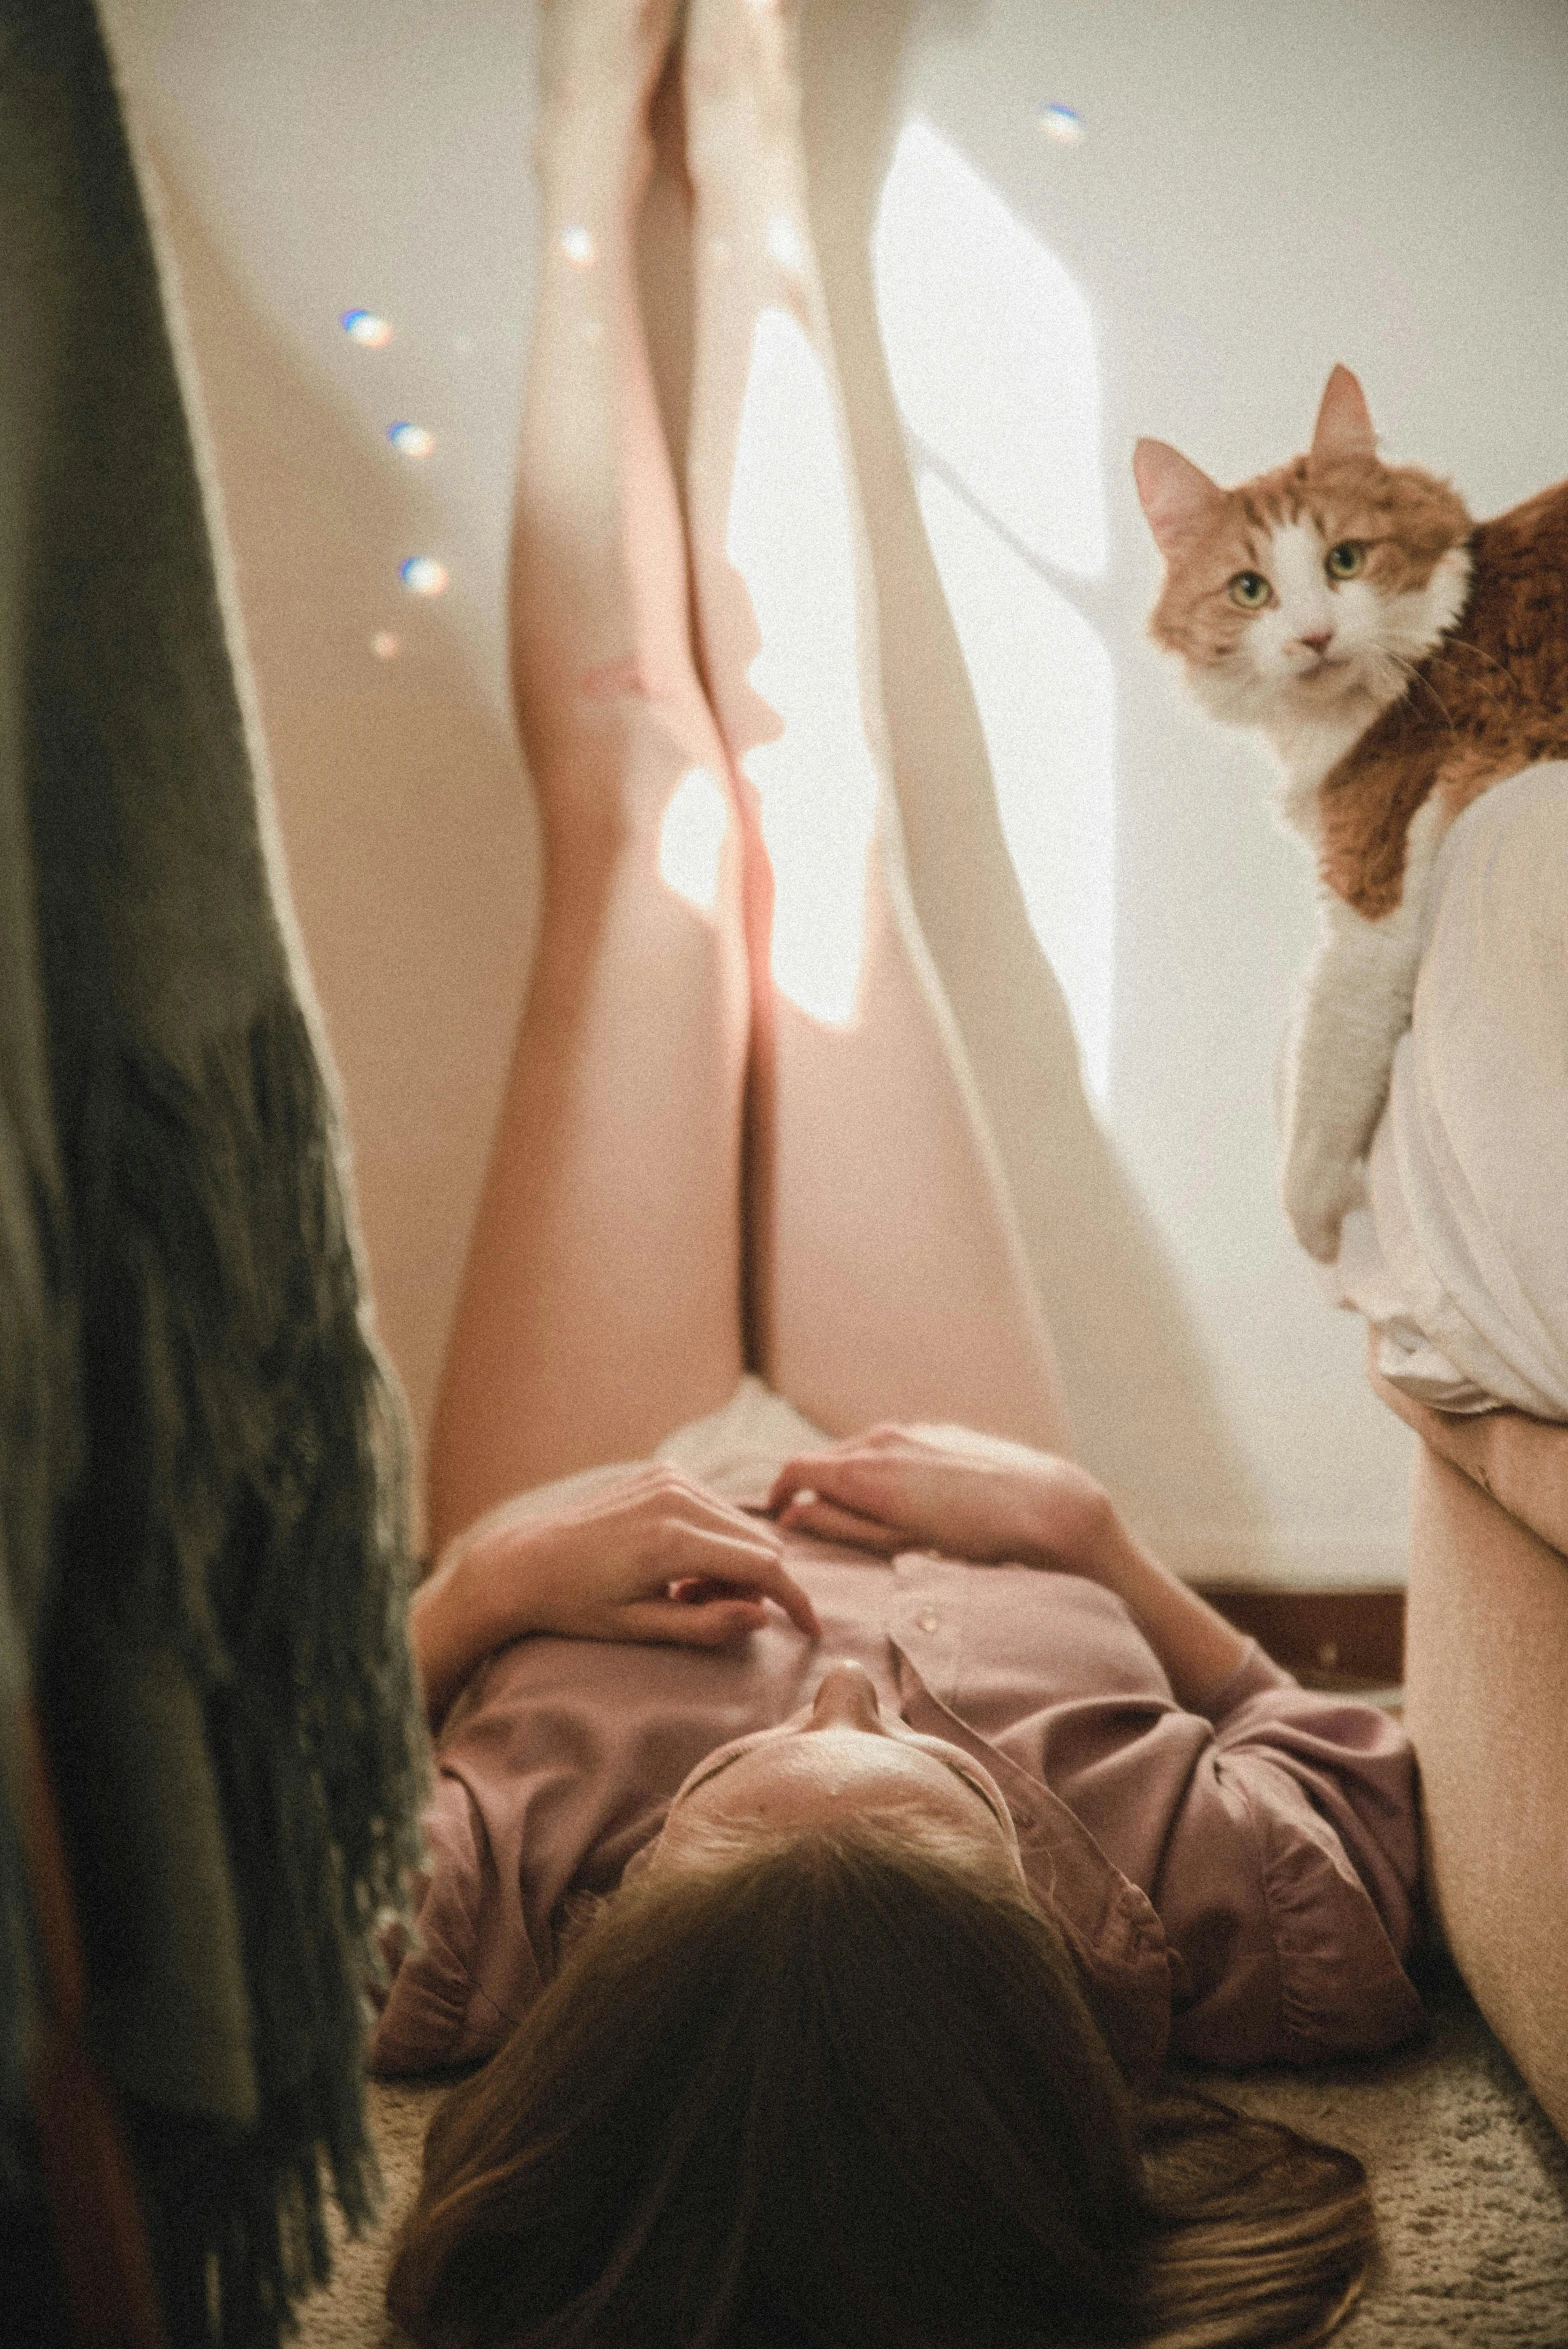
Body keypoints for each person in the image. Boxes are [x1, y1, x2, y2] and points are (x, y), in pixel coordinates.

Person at [380, 3, 1423, 2342]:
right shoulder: (1252, 1947)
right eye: (921, 1788)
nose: (828, 1706)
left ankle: (587, 176)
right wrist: (1095, 1545)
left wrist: (472, 1599)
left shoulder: (455, 1954)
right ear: (1062, 2001)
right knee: (820, 797)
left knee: (645, 798)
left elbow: (211, 1870)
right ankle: (757, 185)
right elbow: (1337, 1768)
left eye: (749, 1797)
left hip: (587, 1497)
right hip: (962, 1492)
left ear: (605, 1980)